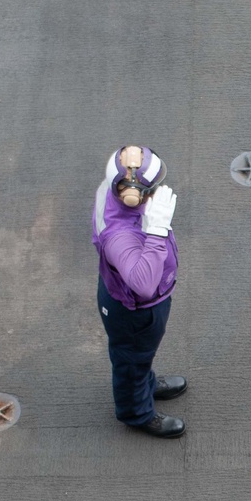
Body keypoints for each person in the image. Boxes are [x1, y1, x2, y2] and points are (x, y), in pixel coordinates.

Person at [92, 144, 186, 438]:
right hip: (135, 311)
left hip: (124, 297)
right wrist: (157, 229)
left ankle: (145, 379)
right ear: (135, 194)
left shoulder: (113, 192)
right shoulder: (120, 237)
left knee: (138, 357)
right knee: (131, 359)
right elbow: (144, 286)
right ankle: (137, 412)